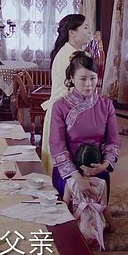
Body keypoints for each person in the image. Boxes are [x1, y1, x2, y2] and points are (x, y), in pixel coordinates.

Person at [49, 51, 120, 200]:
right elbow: (57, 146)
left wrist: (104, 165)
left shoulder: (106, 105)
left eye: (93, 78)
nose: (89, 84)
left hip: (98, 169)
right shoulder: (60, 106)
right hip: (70, 173)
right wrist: (78, 178)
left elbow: (113, 141)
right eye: (83, 79)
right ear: (72, 78)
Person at [40, 14, 91, 173]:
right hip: (63, 113)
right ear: (72, 32)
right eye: (85, 28)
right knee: (64, 167)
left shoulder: (72, 52)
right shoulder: (70, 56)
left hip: (65, 111)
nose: (89, 32)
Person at [63, 143, 116, 251]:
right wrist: (112, 225)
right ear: (98, 163)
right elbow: (104, 207)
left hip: (77, 222)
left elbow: (64, 204)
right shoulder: (101, 184)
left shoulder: (70, 183)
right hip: (96, 223)